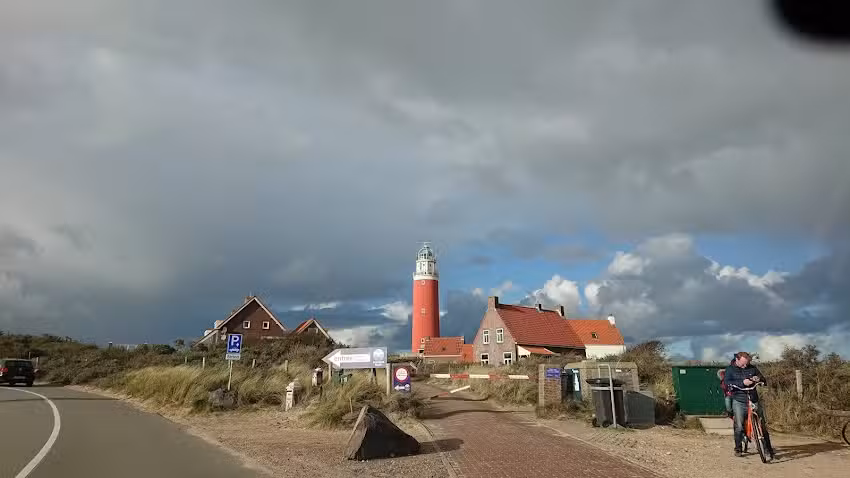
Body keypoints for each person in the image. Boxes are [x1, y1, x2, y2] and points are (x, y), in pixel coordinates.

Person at [723, 352, 776, 459]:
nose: (745, 366)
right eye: (742, 364)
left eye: (747, 364)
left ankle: (768, 449)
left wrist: (758, 379)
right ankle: (738, 448)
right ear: (737, 360)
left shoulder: (753, 368)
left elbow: (763, 380)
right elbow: (727, 382)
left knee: (763, 426)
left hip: (753, 399)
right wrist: (742, 382)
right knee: (739, 426)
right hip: (739, 400)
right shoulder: (730, 369)